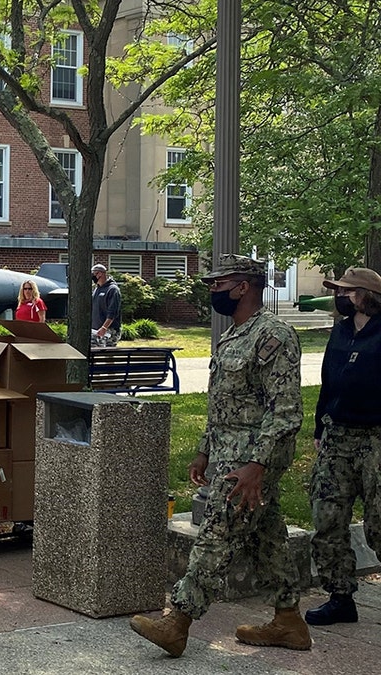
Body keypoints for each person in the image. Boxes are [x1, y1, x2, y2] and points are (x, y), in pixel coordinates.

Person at [130, 254, 309, 657]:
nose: (212, 290)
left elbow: (286, 412)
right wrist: (203, 451)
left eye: (218, 284)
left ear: (243, 286)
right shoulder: (233, 336)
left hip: (251, 459)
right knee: (268, 537)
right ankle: (289, 621)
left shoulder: (273, 336)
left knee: (217, 535)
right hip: (229, 453)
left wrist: (257, 465)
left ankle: (177, 622)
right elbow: (225, 404)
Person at [305, 266, 381, 626]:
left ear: (367, 296)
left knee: (378, 523)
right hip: (338, 435)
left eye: (347, 292)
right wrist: (321, 426)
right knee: (327, 516)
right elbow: (327, 382)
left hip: (376, 437)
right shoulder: (340, 330)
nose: (341, 297)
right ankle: (339, 597)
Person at [90, 263, 122, 346]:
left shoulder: (112, 289)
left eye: (93, 274)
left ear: (100, 273)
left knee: (107, 356)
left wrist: (104, 327)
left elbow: (113, 312)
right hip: (95, 329)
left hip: (109, 330)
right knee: (93, 353)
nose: (92, 277)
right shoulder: (96, 289)